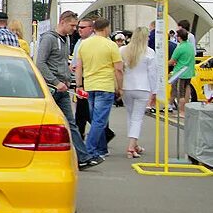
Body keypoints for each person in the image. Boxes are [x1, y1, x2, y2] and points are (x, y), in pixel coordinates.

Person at [35, 10, 101, 169]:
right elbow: (40, 63)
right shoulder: (49, 39)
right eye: (72, 25)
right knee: (47, 124)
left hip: (62, 88)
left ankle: (83, 157)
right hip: (52, 89)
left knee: (70, 123)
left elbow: (60, 62)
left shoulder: (65, 39)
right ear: (62, 21)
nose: (74, 29)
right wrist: (56, 82)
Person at [76, 17, 123, 162]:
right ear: (106, 28)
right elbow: (119, 69)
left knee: (96, 118)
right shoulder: (111, 45)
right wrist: (120, 88)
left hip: (89, 85)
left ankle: (102, 148)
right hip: (105, 85)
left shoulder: (84, 44)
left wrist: (79, 85)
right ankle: (89, 150)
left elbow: (79, 67)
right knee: (99, 121)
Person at [121, 27, 157, 159]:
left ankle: (134, 144)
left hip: (126, 87)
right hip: (143, 88)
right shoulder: (149, 52)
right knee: (137, 118)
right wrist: (155, 91)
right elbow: (152, 74)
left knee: (131, 116)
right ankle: (131, 147)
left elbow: (119, 69)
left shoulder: (123, 50)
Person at [170, 28, 196, 114]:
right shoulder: (190, 46)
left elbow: (172, 61)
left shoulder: (180, 48)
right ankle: (186, 109)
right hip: (189, 72)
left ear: (179, 37)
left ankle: (181, 111)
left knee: (180, 93)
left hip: (180, 73)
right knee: (187, 90)